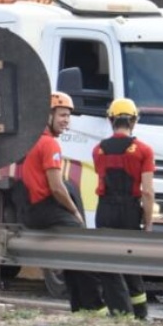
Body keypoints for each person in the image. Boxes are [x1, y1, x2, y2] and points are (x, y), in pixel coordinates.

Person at [18, 92, 115, 314]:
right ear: (48, 116)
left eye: (68, 116)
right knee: (83, 249)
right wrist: (74, 211)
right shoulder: (50, 144)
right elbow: (56, 186)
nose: (66, 121)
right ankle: (94, 306)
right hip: (46, 207)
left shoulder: (34, 141)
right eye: (62, 115)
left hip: (33, 209)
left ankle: (78, 306)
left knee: (70, 254)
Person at [93, 97, 156, 320]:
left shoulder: (98, 150)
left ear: (111, 120)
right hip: (129, 211)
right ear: (134, 121)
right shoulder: (143, 150)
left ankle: (121, 314)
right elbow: (147, 191)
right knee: (131, 261)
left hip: (105, 210)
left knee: (109, 263)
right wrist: (148, 223)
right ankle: (140, 314)